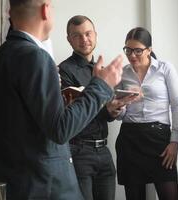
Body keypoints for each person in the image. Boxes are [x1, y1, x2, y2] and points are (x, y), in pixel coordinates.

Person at [0, 0, 124, 199]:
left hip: (5, 184)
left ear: (9, 12)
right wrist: (102, 86)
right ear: (46, 10)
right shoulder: (36, 57)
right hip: (41, 186)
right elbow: (60, 129)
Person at [58, 15, 135, 200]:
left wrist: (114, 110)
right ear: (69, 39)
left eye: (88, 33)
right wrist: (105, 109)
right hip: (78, 152)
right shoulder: (63, 71)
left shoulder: (104, 70)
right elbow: (72, 114)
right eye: (76, 35)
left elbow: (105, 114)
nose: (84, 39)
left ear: (95, 35)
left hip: (104, 151)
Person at [115, 27, 178, 200]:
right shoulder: (122, 73)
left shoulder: (164, 68)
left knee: (170, 194)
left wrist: (175, 141)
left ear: (149, 50)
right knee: (134, 196)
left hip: (159, 139)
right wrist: (120, 105)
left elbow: (177, 105)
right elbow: (120, 114)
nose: (132, 55)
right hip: (129, 138)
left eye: (138, 50)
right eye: (128, 50)